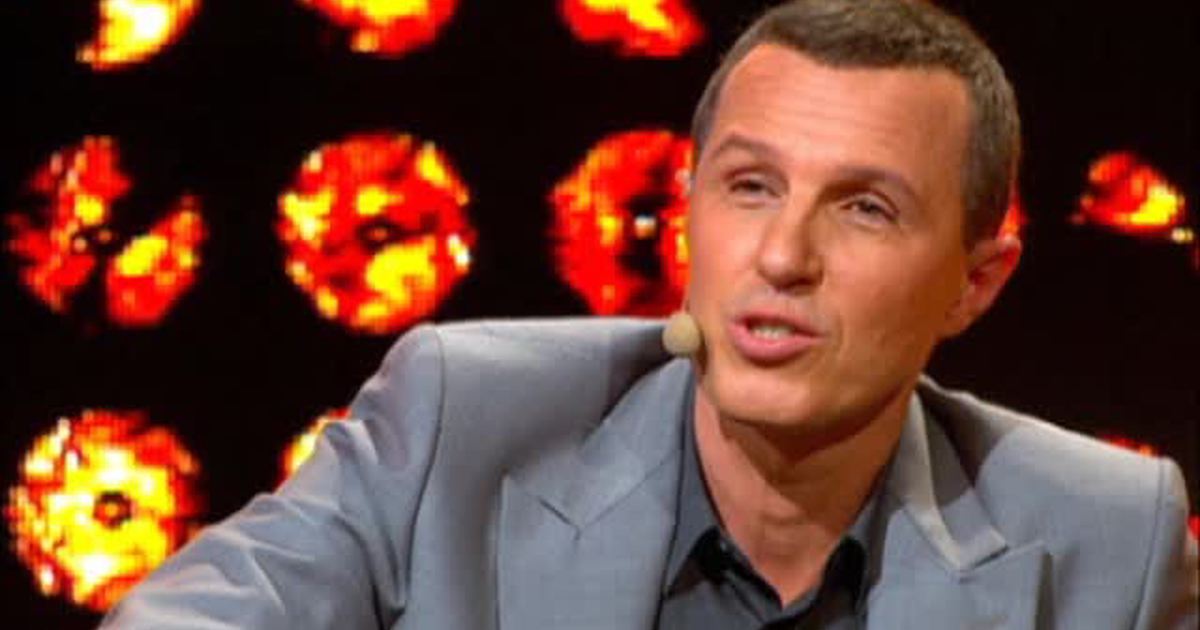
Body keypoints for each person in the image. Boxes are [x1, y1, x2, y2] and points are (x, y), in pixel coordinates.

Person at [101, 0, 1198, 628]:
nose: (783, 257)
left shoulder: (1109, 536)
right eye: (750, 186)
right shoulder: (461, 419)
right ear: (687, 212)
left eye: (864, 208)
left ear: (976, 282)